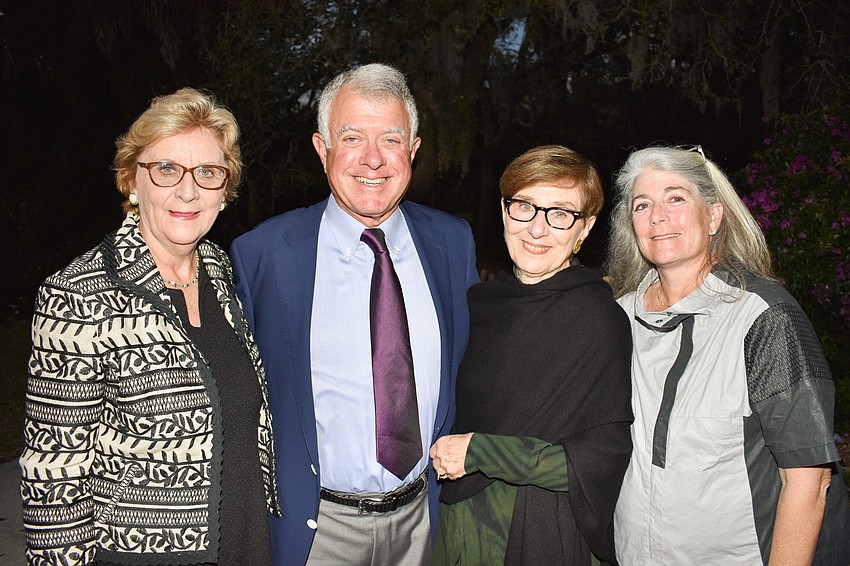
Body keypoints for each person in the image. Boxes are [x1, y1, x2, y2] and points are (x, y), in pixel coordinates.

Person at [229, 63, 479, 566]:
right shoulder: (262, 255)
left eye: (390, 139)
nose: (372, 159)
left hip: (425, 520)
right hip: (316, 531)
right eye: (351, 137)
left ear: (413, 150)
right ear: (322, 150)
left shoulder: (453, 242)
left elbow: (473, 369)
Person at [19, 87, 280, 565]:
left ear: (225, 191)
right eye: (165, 169)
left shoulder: (219, 273)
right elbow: (52, 476)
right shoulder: (78, 295)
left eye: (207, 172)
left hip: (246, 543)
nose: (188, 190)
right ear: (131, 182)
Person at [606, 145, 850, 565]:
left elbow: (809, 480)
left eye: (676, 198)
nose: (658, 216)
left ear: (714, 215)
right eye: (642, 204)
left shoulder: (763, 318)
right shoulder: (616, 318)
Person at [430, 145, 634, 565]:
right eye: (525, 206)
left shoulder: (596, 319)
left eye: (560, 214)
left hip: (539, 528)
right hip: (459, 523)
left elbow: (600, 460)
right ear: (505, 211)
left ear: (585, 228)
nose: (537, 230)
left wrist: (482, 452)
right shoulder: (478, 305)